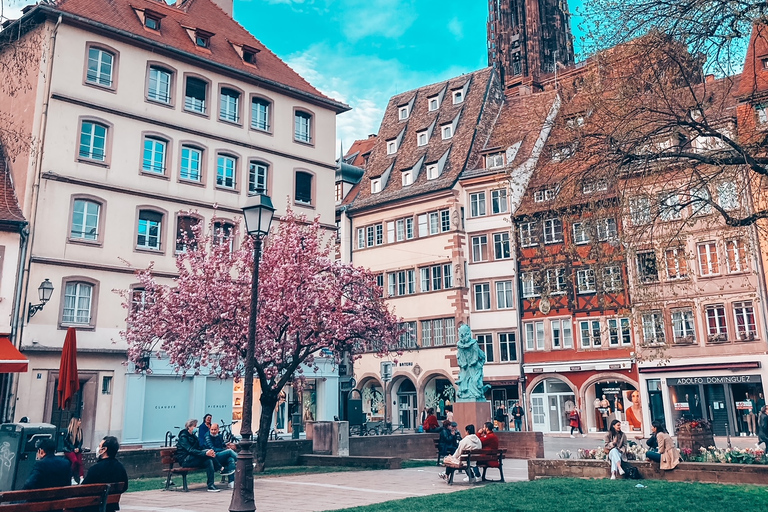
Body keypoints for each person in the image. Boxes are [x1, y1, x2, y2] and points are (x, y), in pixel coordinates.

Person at [82, 436, 129, 512]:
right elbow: (125, 486)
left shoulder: (95, 468)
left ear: (104, 449)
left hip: (93, 507)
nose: (98, 448)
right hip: (110, 507)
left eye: (100, 446)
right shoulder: (120, 467)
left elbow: (83, 489)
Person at [176, 419, 223, 492]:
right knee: (207, 454)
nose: (196, 428)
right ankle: (219, 467)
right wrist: (205, 453)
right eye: (194, 426)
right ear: (189, 427)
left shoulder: (194, 437)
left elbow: (199, 448)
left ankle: (211, 485)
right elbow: (190, 450)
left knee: (209, 460)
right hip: (186, 460)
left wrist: (208, 451)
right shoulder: (183, 437)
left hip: (194, 458)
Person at [204, 423, 237, 488]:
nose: (213, 431)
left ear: (218, 429)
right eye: (212, 429)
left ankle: (231, 481)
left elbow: (222, 444)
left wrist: (226, 445)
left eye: (215, 430)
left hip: (219, 455)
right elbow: (212, 448)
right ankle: (243, 461)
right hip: (213, 456)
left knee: (231, 459)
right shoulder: (207, 436)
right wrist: (224, 450)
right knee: (229, 451)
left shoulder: (219, 436)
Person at [63, 416, 84, 484]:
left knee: (80, 462)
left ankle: (81, 477)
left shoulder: (80, 431)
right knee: (74, 461)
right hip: (69, 450)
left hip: (77, 450)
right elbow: (66, 442)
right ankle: (71, 477)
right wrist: (73, 448)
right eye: (79, 421)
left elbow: (80, 441)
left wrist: (78, 448)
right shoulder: (68, 431)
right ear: (75, 422)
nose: (80, 423)